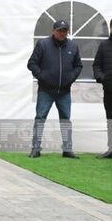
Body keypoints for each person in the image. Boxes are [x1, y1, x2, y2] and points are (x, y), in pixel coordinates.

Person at [27, 20, 82, 159]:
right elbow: (32, 63)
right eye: (59, 30)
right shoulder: (43, 44)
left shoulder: (73, 46)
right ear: (53, 31)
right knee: (40, 118)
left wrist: (71, 78)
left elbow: (78, 66)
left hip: (64, 91)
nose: (62, 33)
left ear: (67, 32)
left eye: (64, 30)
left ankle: (67, 149)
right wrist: (42, 76)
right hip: (45, 90)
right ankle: (35, 149)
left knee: (65, 119)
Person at [93, 18, 112, 159]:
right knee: (110, 119)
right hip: (109, 89)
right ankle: (111, 149)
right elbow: (96, 65)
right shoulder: (104, 46)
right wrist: (101, 77)